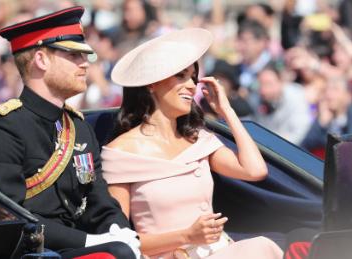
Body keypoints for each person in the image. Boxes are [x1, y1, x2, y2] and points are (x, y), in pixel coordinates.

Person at [0, 6, 140, 259]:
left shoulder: (78, 128)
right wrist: (91, 240)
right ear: (41, 60)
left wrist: (120, 232)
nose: (85, 64)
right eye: (73, 55)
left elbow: (99, 200)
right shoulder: (2, 130)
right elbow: (10, 218)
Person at [102, 28, 284, 259]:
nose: (191, 85)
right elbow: (118, 241)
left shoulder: (198, 140)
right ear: (151, 84)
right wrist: (187, 236)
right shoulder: (120, 152)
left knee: (261, 246)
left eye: (193, 77)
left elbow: (255, 170)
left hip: (221, 250)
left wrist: (226, 110)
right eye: (181, 76)